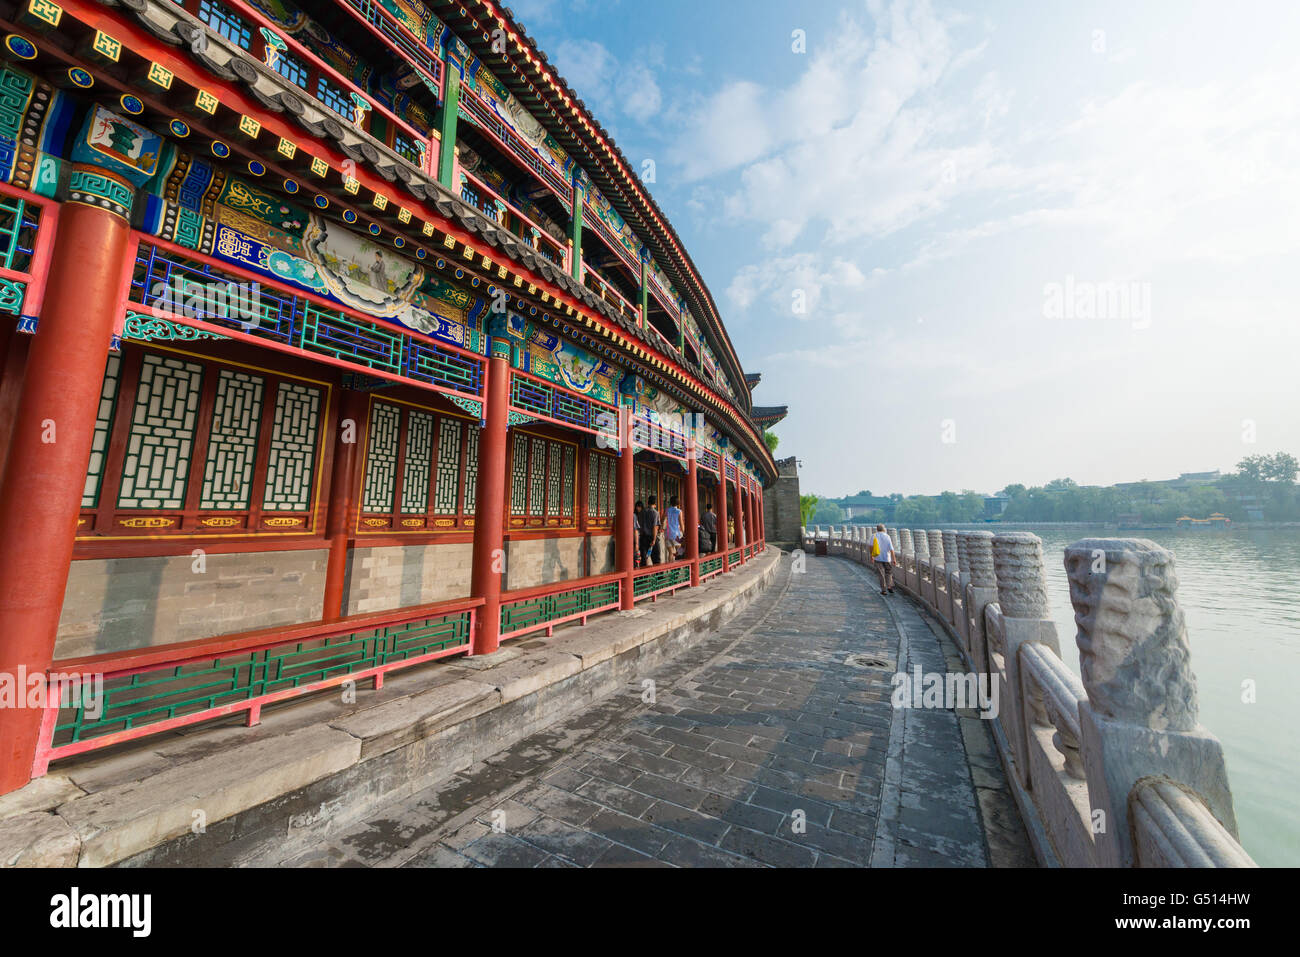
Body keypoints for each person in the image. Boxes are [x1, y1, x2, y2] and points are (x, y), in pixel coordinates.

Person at [871, 523, 896, 595]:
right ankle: (889, 586)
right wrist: (894, 559)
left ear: (877, 529)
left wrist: (872, 556)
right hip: (887, 558)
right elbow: (891, 549)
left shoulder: (874, 536)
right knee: (888, 572)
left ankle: (883, 590)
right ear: (884, 529)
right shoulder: (887, 536)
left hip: (877, 557)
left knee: (881, 574)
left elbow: (871, 547)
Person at [640, 496, 662, 566]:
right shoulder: (655, 513)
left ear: (648, 502)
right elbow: (655, 527)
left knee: (643, 559)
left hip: (643, 537)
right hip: (651, 537)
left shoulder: (642, 512)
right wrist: (654, 539)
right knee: (656, 559)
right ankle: (659, 576)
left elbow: (640, 524)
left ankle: (643, 576)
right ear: (655, 503)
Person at [665, 496, 683, 560]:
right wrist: (683, 532)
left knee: (670, 552)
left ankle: (670, 568)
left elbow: (662, 519)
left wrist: (661, 527)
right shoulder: (679, 511)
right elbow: (681, 523)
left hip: (667, 533)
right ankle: (678, 567)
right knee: (679, 551)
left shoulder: (667, 510)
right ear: (678, 503)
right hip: (676, 534)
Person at [633, 501, 645, 569]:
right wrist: (637, 543)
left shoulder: (640, 515)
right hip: (636, 538)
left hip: (638, 537)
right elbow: (636, 530)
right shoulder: (634, 515)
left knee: (638, 556)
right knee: (636, 556)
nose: (639, 509)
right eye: (639, 507)